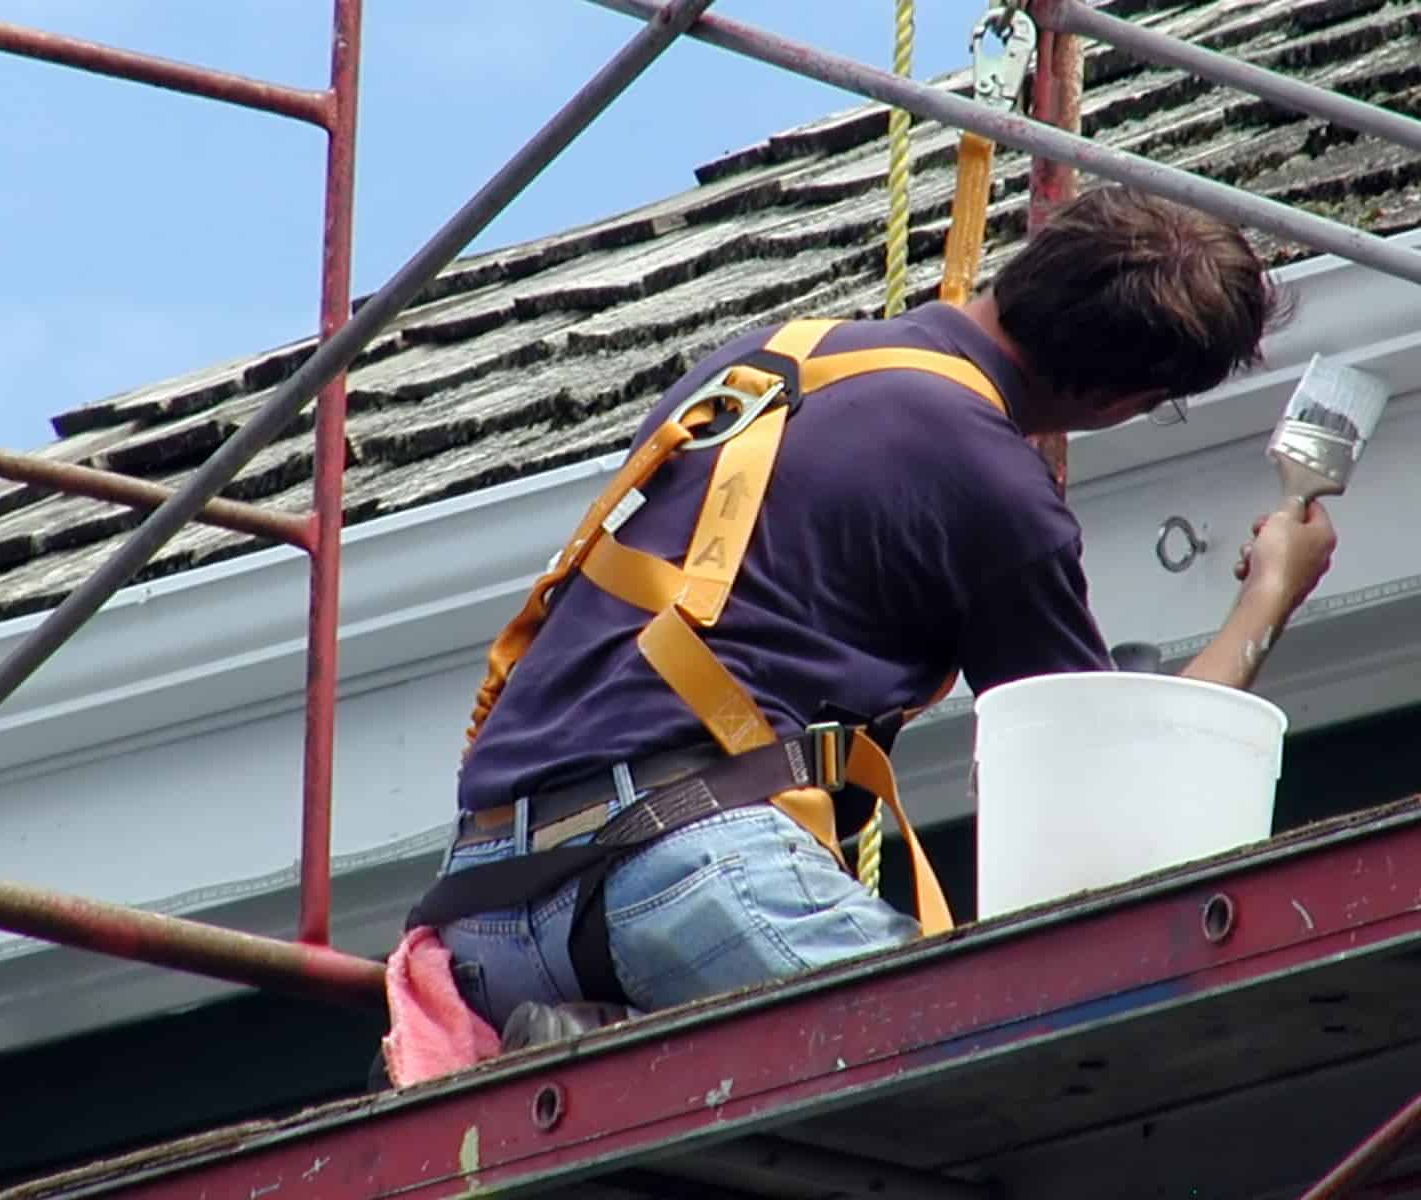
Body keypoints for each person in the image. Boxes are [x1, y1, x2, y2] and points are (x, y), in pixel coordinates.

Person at [422, 186, 1338, 1041]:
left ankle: (593, 1034)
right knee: (1013, 1058)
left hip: (484, 909)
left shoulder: (774, 358)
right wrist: (1268, 596)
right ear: (1121, 399)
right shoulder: (993, 483)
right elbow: (1104, 790)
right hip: (689, 873)